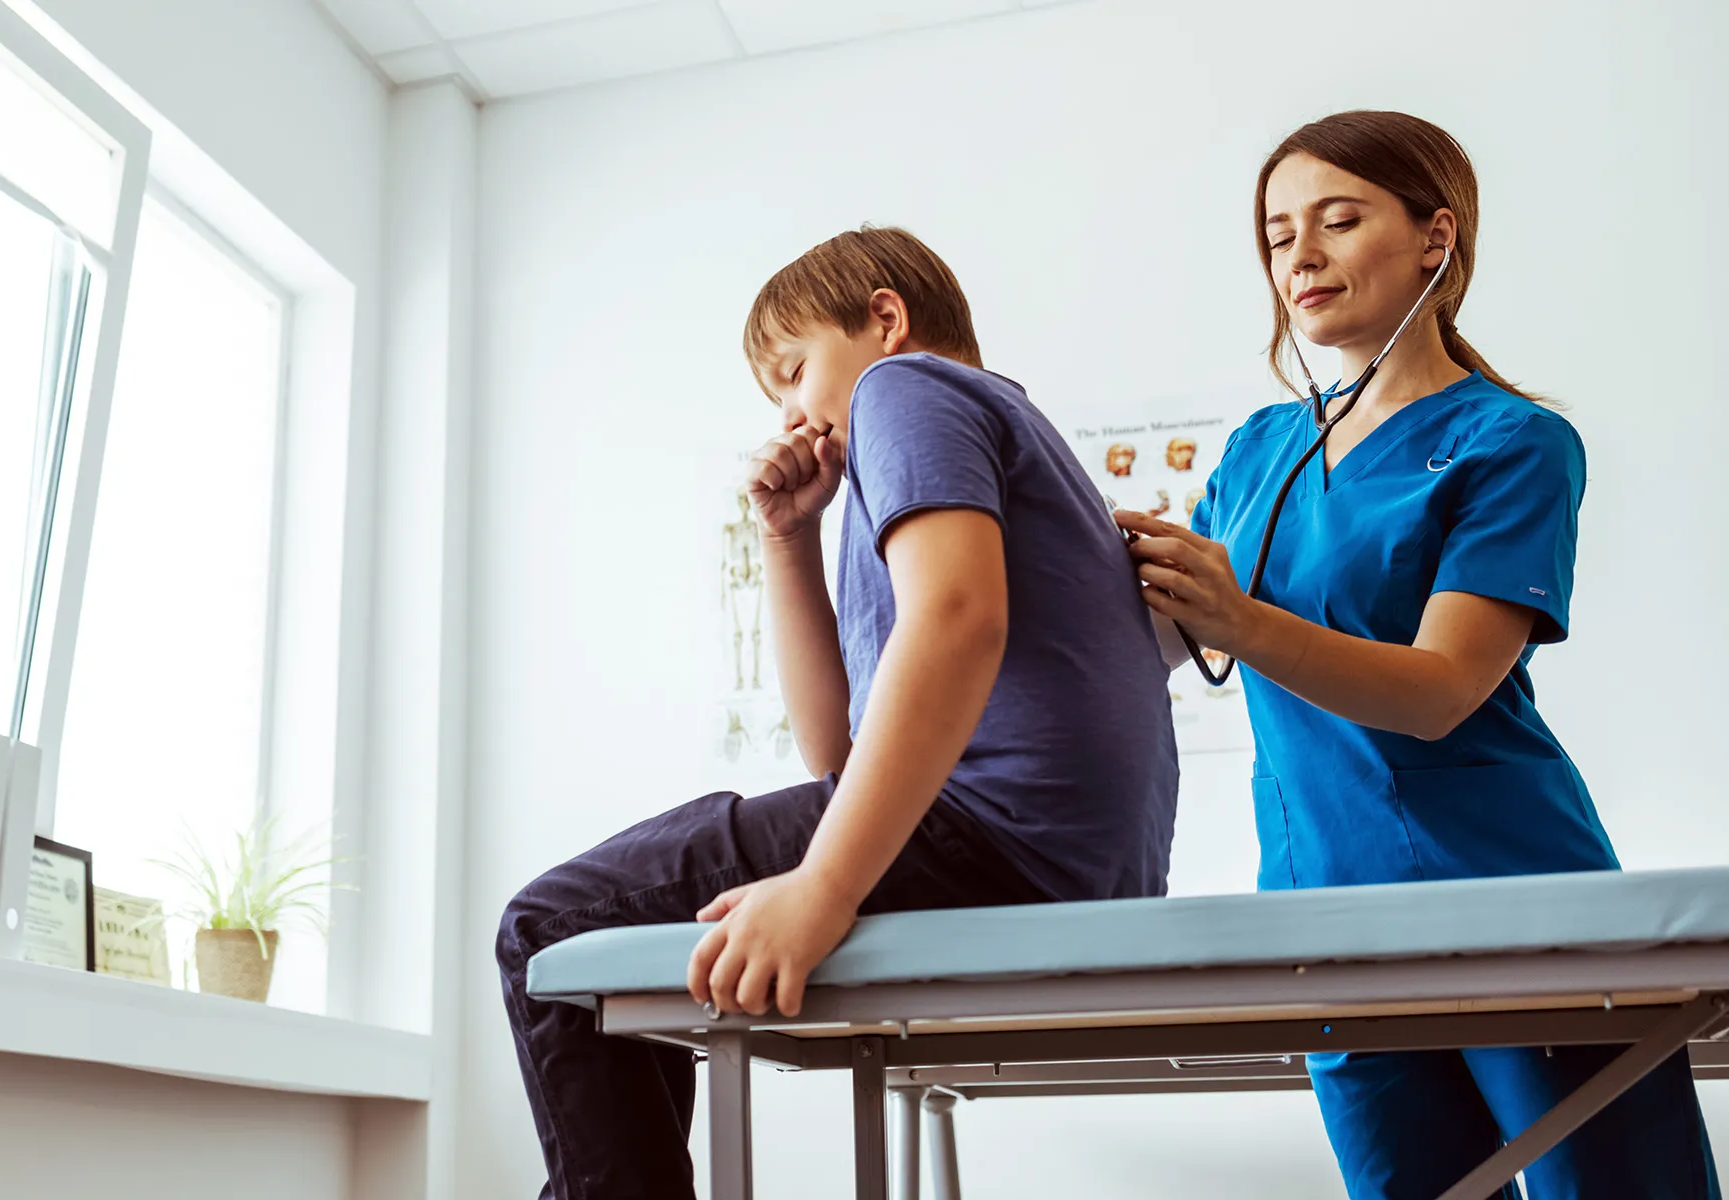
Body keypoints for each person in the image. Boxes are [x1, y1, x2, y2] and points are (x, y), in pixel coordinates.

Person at [496, 225, 1179, 1199]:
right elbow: (840, 756)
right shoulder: (975, 447)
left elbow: (956, 619)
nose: (787, 415)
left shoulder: (906, 389)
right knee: (591, 938)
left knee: (552, 928)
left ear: (886, 321)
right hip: (1061, 859)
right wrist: (787, 537)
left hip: (994, 837)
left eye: (792, 373)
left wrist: (824, 887)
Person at [1117, 110, 1720, 1199]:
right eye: (1276, 234)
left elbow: (1443, 690)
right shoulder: (1259, 449)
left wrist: (1241, 619)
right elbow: (1152, 635)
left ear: (1436, 239)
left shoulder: (1511, 442)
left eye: (1338, 221)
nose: (1298, 254)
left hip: (1507, 891)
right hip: (1322, 907)